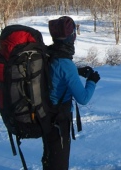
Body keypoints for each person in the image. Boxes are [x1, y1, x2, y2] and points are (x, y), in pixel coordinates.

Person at [42, 16, 100, 170]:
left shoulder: (49, 54)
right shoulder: (65, 63)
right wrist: (92, 81)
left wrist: (77, 71)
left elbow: (56, 74)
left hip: (46, 116)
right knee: (58, 164)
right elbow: (83, 98)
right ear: (71, 36)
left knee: (49, 160)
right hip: (59, 120)